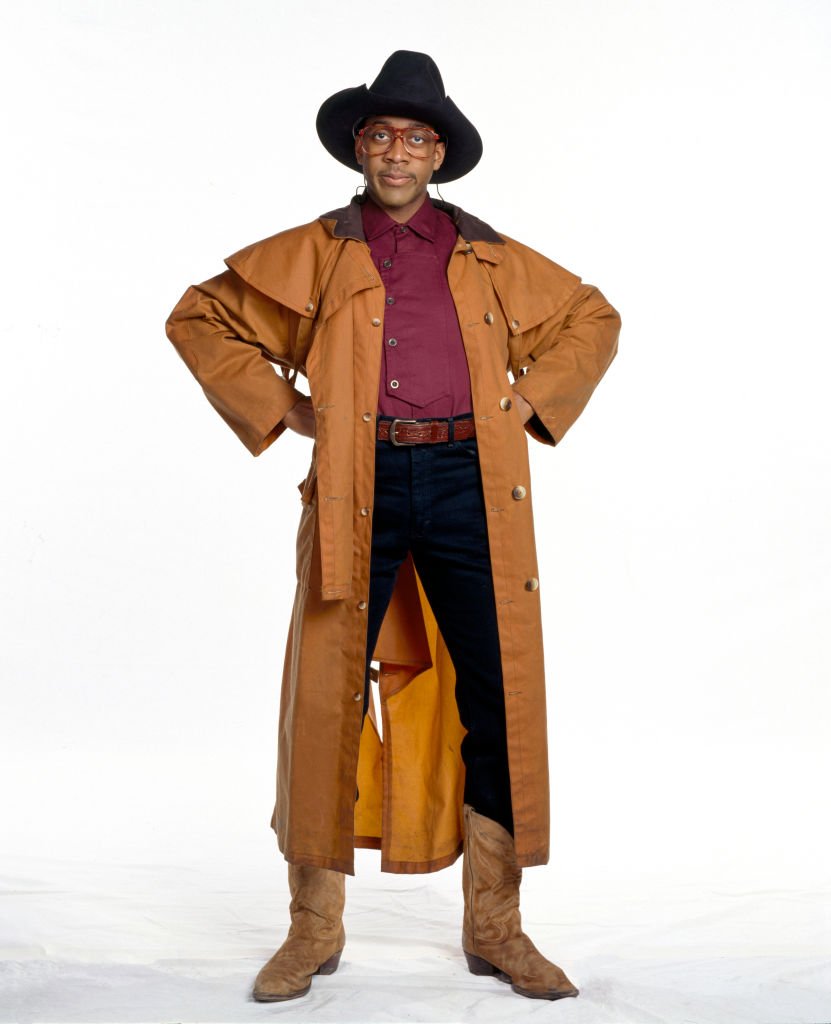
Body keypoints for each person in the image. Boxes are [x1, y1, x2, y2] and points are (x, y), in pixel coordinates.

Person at [165, 50, 620, 1004]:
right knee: (327, 689)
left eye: (416, 138)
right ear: (359, 150)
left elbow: (590, 317)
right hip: (355, 481)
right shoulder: (318, 251)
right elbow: (199, 317)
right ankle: (311, 928)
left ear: (440, 153)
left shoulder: (487, 253)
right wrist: (286, 409)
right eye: (380, 136)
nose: (397, 153)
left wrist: (521, 403)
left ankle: (497, 927)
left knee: (497, 697)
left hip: (469, 481)